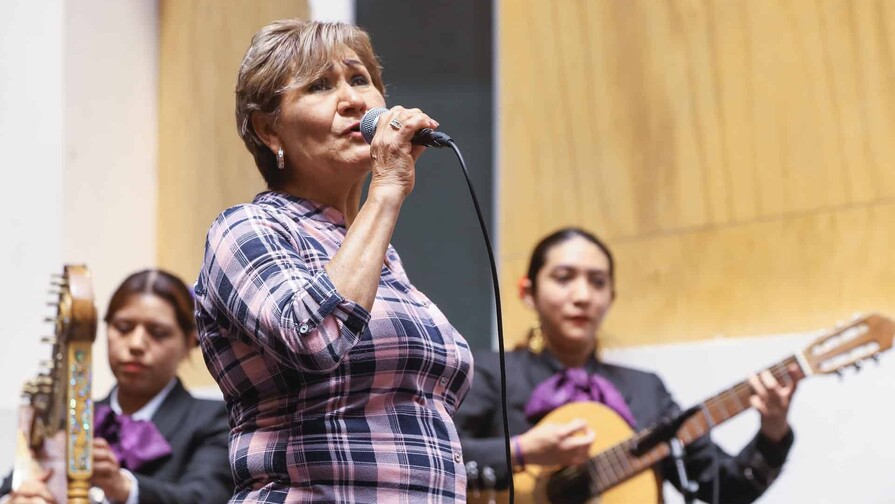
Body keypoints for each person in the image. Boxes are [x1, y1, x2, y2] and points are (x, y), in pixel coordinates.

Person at [194, 19, 473, 502]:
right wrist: (386, 191)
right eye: (320, 85)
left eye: (360, 79)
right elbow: (314, 335)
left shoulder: (380, 258)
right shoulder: (245, 229)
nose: (353, 100)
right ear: (268, 129)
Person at [455, 227, 801, 503]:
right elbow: (435, 455)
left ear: (611, 297)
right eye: (564, 277)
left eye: (598, 282)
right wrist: (522, 451)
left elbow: (724, 489)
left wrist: (773, 431)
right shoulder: (490, 374)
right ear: (528, 293)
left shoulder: (646, 390)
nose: (583, 295)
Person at [1, 269, 233, 504]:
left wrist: (125, 488)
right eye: (123, 328)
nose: (136, 344)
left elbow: (206, 498)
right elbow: (10, 487)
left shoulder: (216, 420)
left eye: (158, 333)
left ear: (189, 343)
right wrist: (15, 498)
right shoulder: (70, 417)